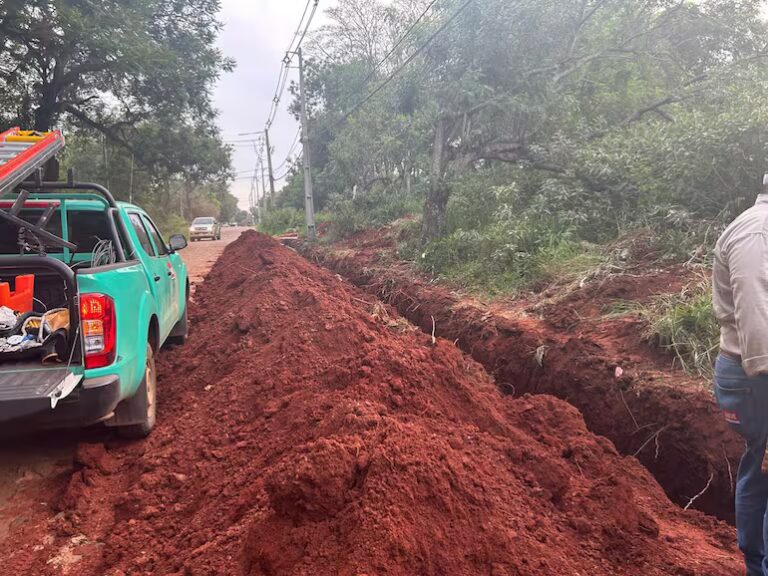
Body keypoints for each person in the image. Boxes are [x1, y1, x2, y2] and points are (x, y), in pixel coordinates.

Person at [713, 175, 768, 576]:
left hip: (752, 373)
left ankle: (755, 565)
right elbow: (754, 309)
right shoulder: (758, 231)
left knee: (760, 466)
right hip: (758, 374)